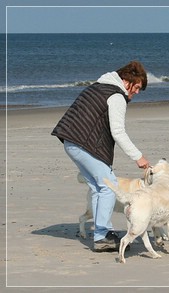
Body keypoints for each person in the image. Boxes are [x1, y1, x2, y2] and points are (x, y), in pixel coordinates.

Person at [51, 61, 149, 252]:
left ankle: (104, 232)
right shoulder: (116, 96)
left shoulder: (100, 86)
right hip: (82, 143)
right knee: (109, 186)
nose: (137, 92)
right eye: (136, 87)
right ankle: (103, 235)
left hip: (71, 142)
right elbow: (118, 132)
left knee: (99, 187)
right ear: (126, 80)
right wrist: (138, 157)